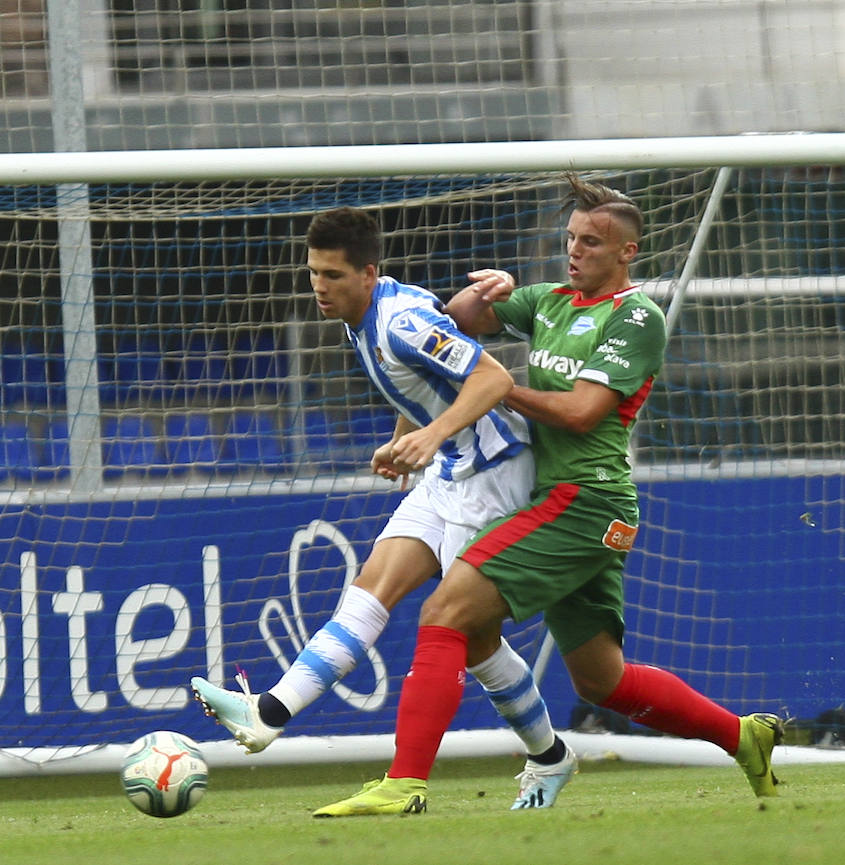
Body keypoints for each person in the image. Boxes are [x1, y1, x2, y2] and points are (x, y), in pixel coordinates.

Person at [313, 176, 783, 817]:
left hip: (586, 501)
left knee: (447, 612)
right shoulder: (551, 299)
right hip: (554, 501)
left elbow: (582, 412)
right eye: (570, 239)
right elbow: (448, 326)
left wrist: (491, 385)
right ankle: (743, 736)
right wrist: (487, 291)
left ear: (627, 253)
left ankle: (405, 783)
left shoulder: (635, 317)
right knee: (603, 681)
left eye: (592, 242)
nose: (576, 251)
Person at [191, 206, 577, 810]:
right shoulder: (362, 313)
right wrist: (408, 436)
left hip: (493, 476)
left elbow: (494, 379)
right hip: (448, 472)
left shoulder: (401, 322)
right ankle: (269, 713)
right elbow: (420, 383)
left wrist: (430, 435)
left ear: (368, 273)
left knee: (471, 639)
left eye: (333, 275)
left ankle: (548, 757)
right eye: (314, 272)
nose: (320, 286)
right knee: (370, 592)